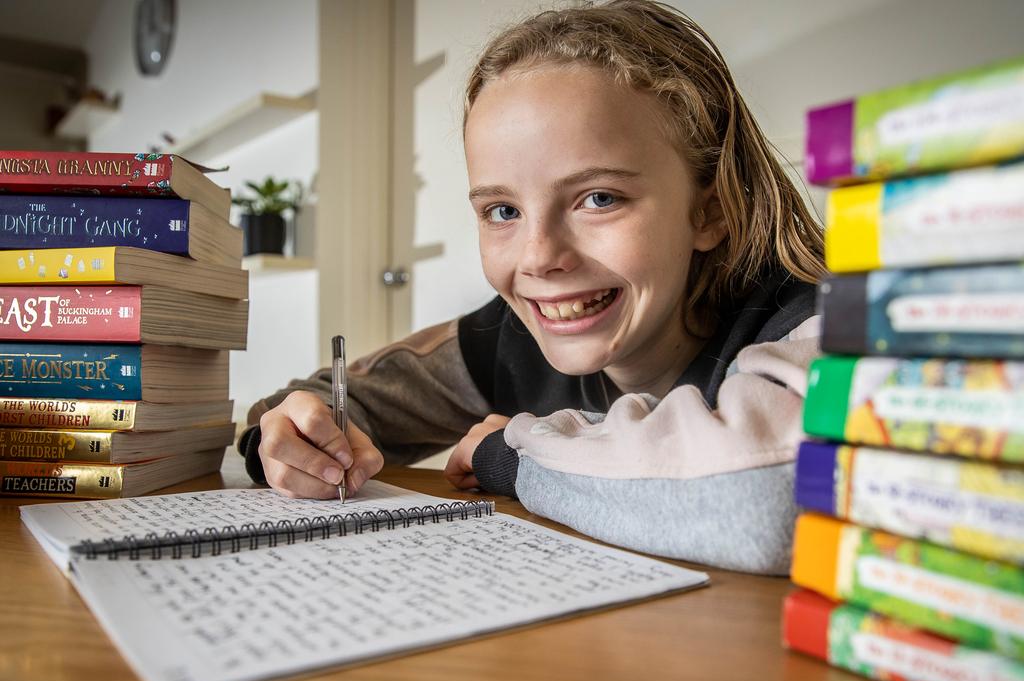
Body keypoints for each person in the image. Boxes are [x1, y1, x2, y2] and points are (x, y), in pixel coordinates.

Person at [239, 0, 825, 575]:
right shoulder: (510, 335)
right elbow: (325, 403)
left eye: (599, 199)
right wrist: (291, 436)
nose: (540, 258)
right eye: (501, 211)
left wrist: (515, 453)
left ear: (710, 212)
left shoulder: (816, 322)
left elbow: (765, 494)